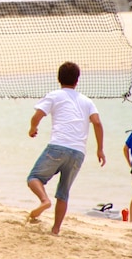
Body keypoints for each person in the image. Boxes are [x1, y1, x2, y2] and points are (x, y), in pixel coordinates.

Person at [26, 61, 105, 235]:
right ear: (77, 80)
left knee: (34, 178)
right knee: (63, 193)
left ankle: (44, 200)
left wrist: (33, 129)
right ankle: (55, 230)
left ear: (58, 79)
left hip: (58, 146)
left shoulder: (54, 95)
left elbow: (38, 115)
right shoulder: (87, 101)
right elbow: (97, 123)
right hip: (78, 152)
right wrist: (100, 149)